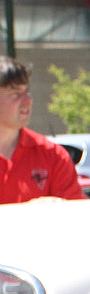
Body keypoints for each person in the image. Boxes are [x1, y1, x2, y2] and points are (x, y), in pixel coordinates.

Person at [0, 56, 83, 204]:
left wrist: (51, 209)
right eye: (15, 93)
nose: (27, 100)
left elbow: (75, 216)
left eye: (27, 91)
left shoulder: (53, 155)